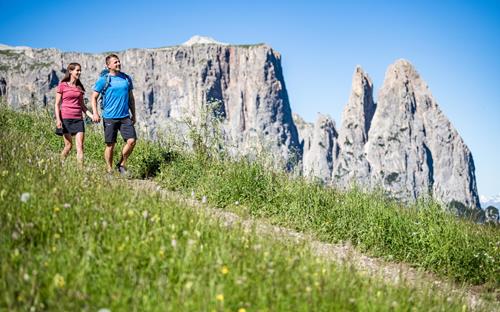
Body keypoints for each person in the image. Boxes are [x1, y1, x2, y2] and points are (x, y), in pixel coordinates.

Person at [91, 54, 137, 174]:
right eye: (115, 62)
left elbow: (131, 98)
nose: (118, 64)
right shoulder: (104, 80)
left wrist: (134, 114)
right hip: (109, 117)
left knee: (131, 141)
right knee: (110, 145)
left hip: (125, 117)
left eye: (119, 61)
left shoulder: (126, 78)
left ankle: (121, 164)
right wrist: (95, 113)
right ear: (108, 65)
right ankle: (109, 169)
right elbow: (94, 97)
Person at [55, 62, 92, 165]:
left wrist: (92, 116)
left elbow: (83, 107)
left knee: (80, 146)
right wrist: (58, 120)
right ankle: (59, 165)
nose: (79, 72)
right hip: (65, 119)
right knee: (68, 146)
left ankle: (80, 172)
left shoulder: (79, 88)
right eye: (77, 70)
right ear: (70, 71)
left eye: (80, 70)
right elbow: (57, 104)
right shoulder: (62, 86)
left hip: (78, 120)